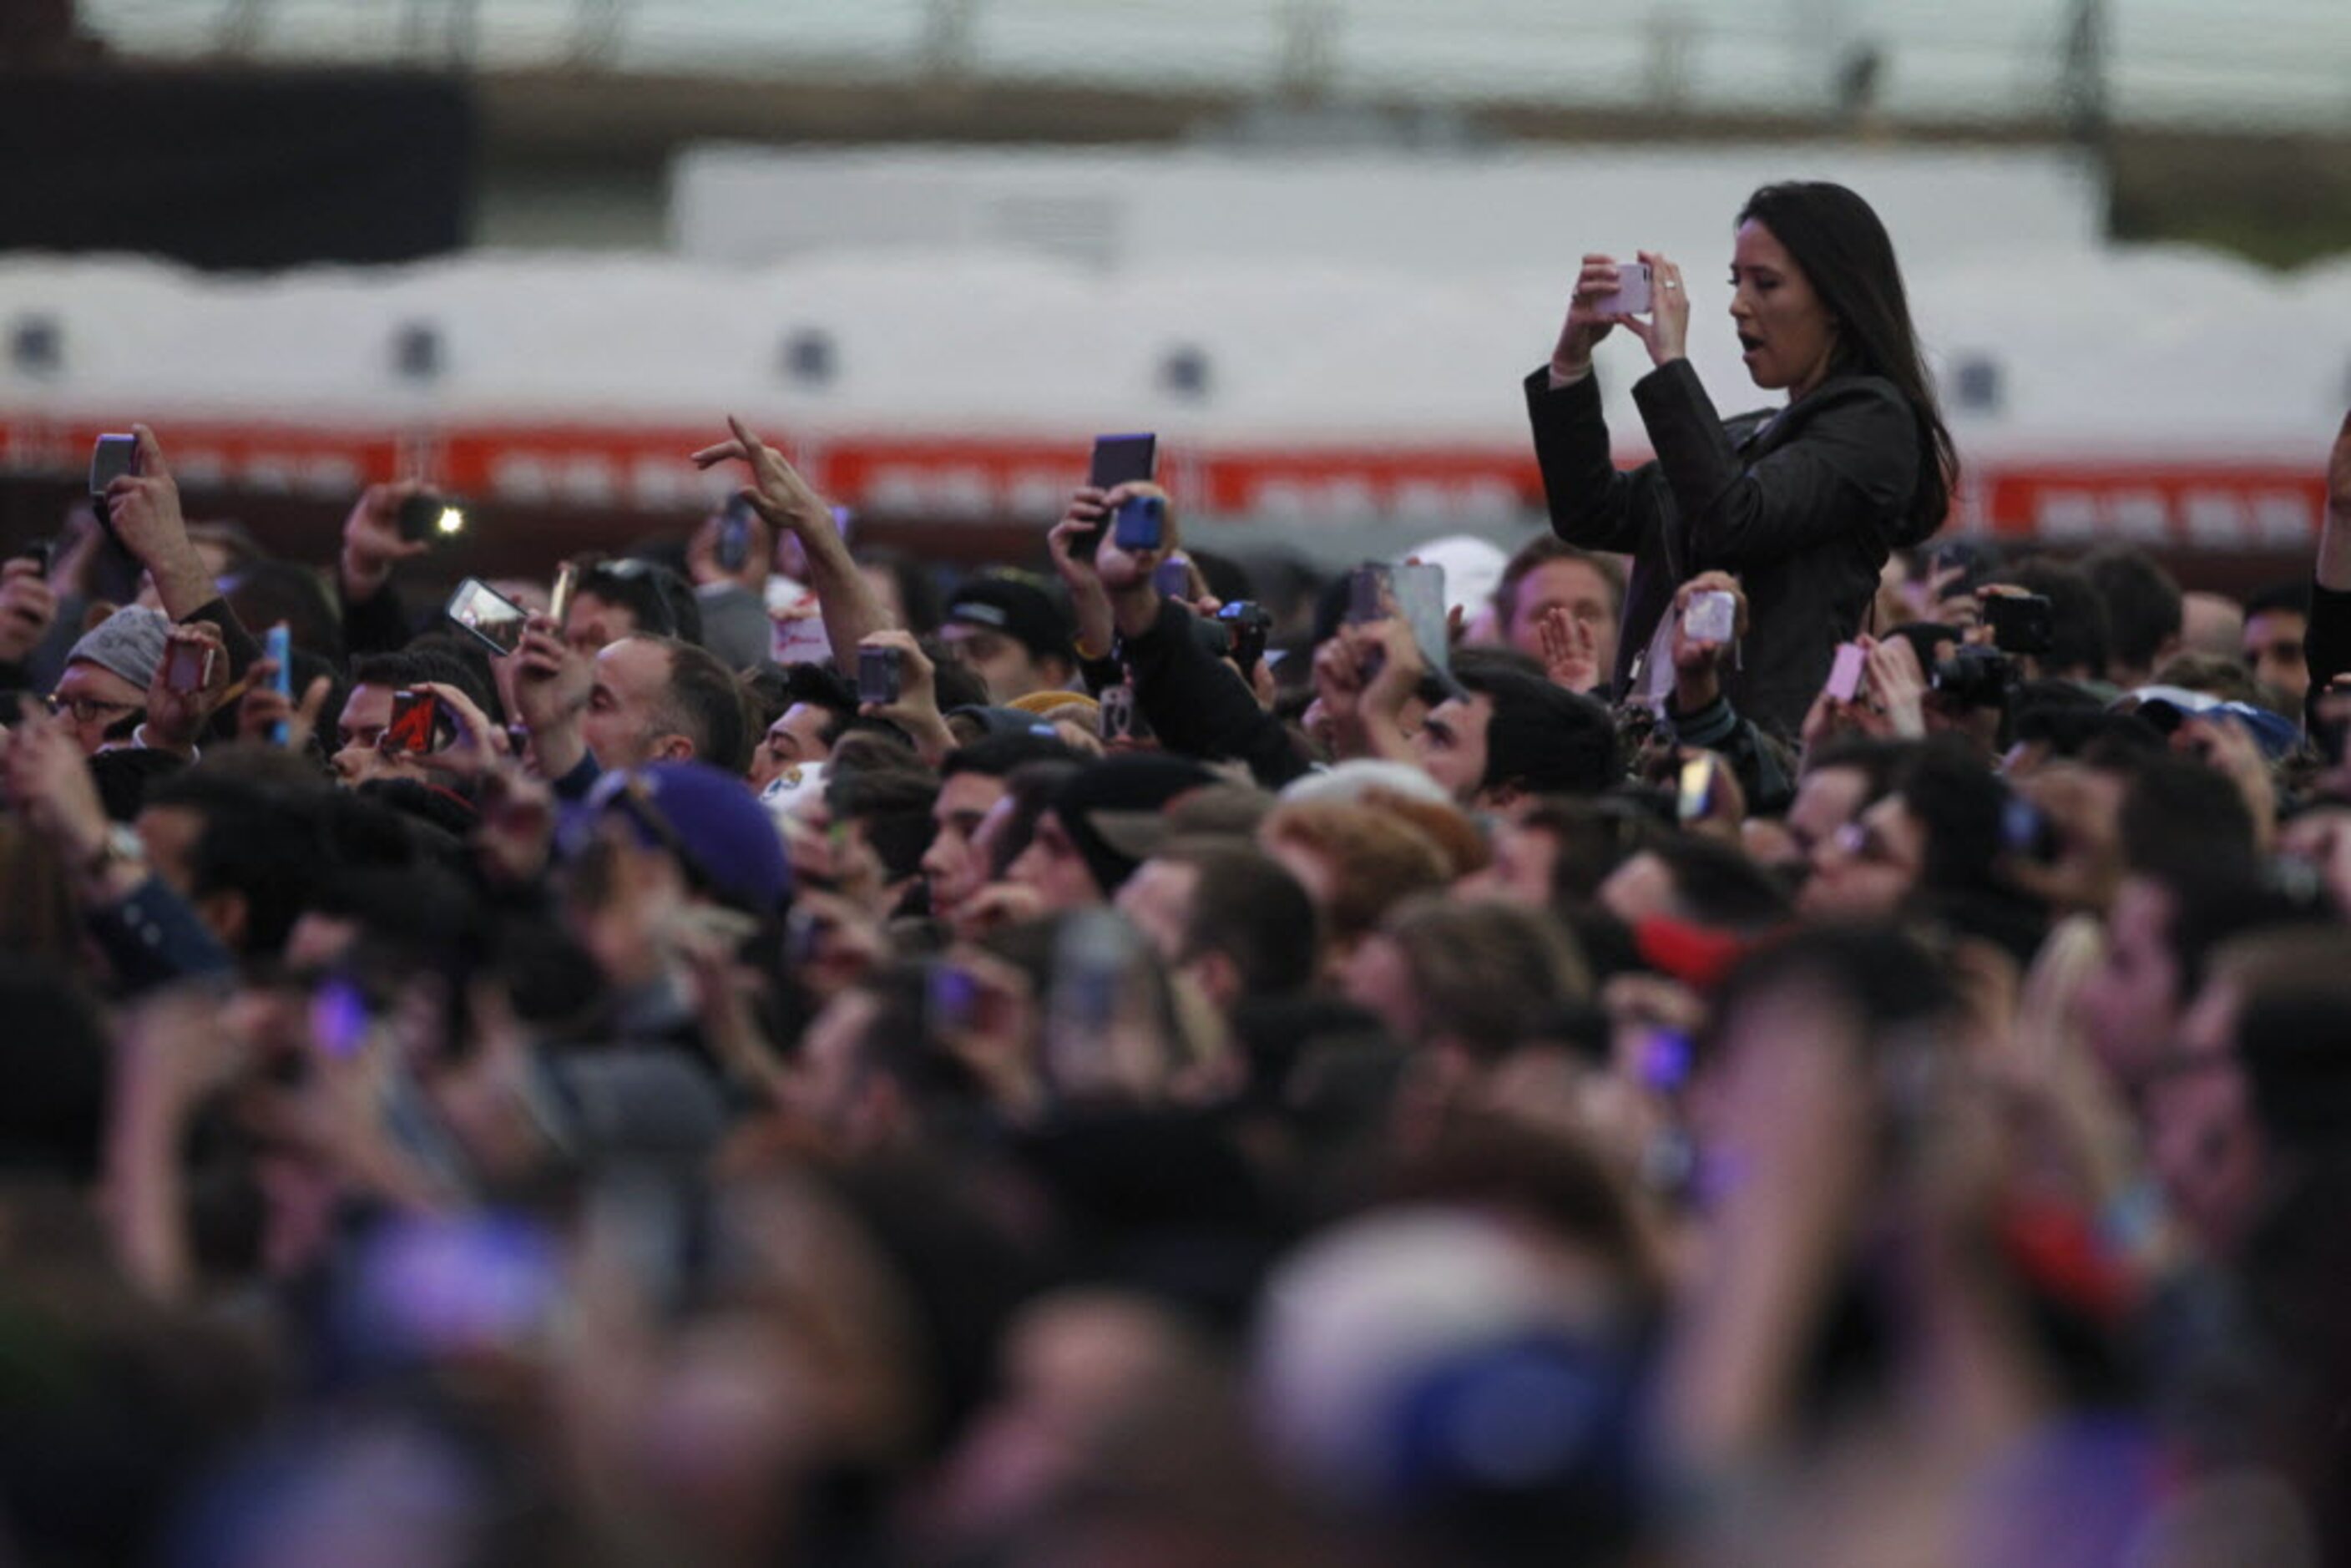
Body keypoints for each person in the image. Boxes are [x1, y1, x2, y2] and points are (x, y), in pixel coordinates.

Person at [1526, 180, 1957, 737]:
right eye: (1736, 282)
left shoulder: (1873, 420)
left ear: (1836, 301)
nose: (1737, 305)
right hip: (1655, 746)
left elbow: (1734, 520)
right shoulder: (1748, 435)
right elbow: (1592, 511)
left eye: (1766, 284)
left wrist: (1671, 365)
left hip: (1758, 759)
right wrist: (1571, 362)